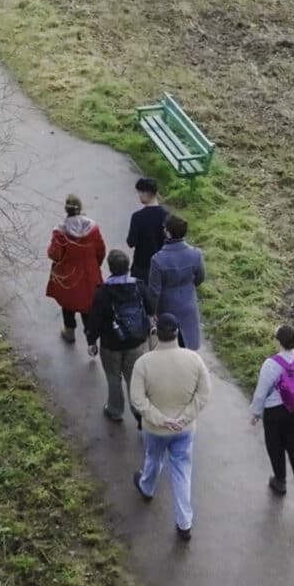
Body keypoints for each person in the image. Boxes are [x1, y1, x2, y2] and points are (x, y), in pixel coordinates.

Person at [129, 313, 209, 542]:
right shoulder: (194, 360)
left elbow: (137, 399)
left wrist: (160, 419)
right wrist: (184, 417)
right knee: (182, 471)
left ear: (156, 334)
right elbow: (204, 394)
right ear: (177, 332)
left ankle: (147, 487)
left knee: (153, 459)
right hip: (184, 430)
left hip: (155, 429)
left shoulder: (143, 363)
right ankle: (184, 523)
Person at [249, 326, 294, 505]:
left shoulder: (271, 364)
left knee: (276, 445)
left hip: (276, 412)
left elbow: (261, 392)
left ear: (278, 341)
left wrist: (256, 413)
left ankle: (280, 481)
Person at [84, 247, 153, 423]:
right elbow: (151, 310)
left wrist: (91, 341)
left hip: (111, 344)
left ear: (110, 268)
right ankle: (139, 412)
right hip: (137, 342)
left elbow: (95, 320)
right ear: (128, 266)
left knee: (114, 378)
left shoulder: (103, 292)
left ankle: (115, 410)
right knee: (134, 378)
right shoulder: (139, 286)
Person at [44, 194, 106, 345]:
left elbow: (55, 254)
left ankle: (69, 331)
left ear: (66, 209)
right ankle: (91, 340)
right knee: (88, 305)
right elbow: (101, 250)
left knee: (68, 303)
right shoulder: (93, 228)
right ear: (80, 208)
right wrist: (95, 265)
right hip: (88, 273)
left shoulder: (60, 232)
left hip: (68, 275)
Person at [142, 214, 206, 352]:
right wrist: (189, 286)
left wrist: (151, 311)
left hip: (167, 309)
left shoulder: (158, 260)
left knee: (170, 350)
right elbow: (200, 277)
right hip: (188, 305)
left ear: (168, 232)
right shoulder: (196, 254)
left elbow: (154, 291)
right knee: (189, 350)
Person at [125, 177, 170, 281]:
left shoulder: (137, 216)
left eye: (139, 192)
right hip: (161, 263)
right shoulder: (166, 215)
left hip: (141, 264)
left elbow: (131, 242)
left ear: (146, 193)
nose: (139, 196)